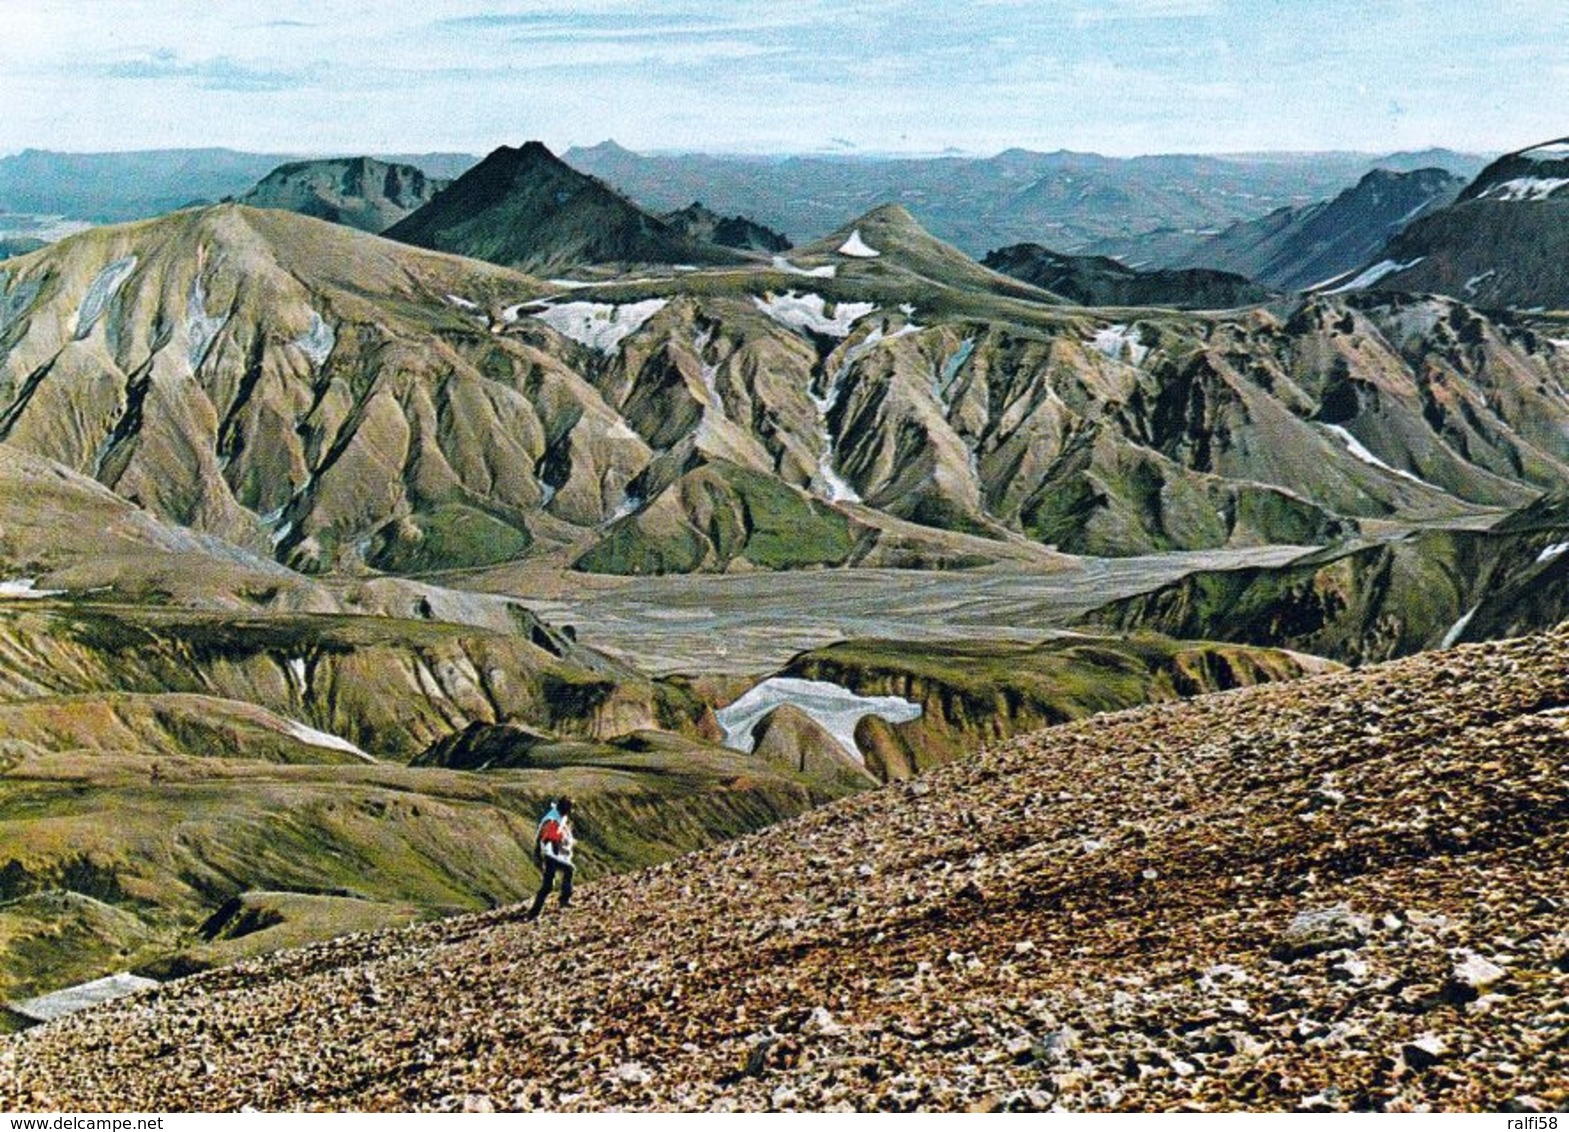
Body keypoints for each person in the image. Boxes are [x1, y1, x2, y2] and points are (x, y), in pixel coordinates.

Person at [525, 797, 574, 920]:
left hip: (551, 853)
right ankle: (561, 901)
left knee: (549, 885)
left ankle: (535, 911)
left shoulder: (556, 816)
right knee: (565, 872)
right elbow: (547, 838)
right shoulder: (552, 820)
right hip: (550, 854)